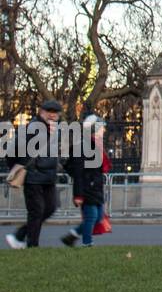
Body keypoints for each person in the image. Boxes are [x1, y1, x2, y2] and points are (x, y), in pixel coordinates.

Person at [5, 99, 67, 249]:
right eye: (49, 112)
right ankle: (32, 245)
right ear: (42, 112)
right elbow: (13, 150)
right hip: (33, 175)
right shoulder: (33, 128)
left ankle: (19, 236)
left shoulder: (55, 130)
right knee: (37, 211)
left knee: (50, 208)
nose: (52, 115)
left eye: (55, 113)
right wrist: (18, 167)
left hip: (48, 177)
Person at [61, 114, 111, 248]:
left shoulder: (96, 145)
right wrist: (78, 194)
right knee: (91, 217)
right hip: (87, 187)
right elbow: (78, 173)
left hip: (95, 186)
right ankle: (87, 242)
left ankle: (73, 234)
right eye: (101, 128)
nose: (104, 131)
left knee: (98, 216)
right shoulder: (83, 147)